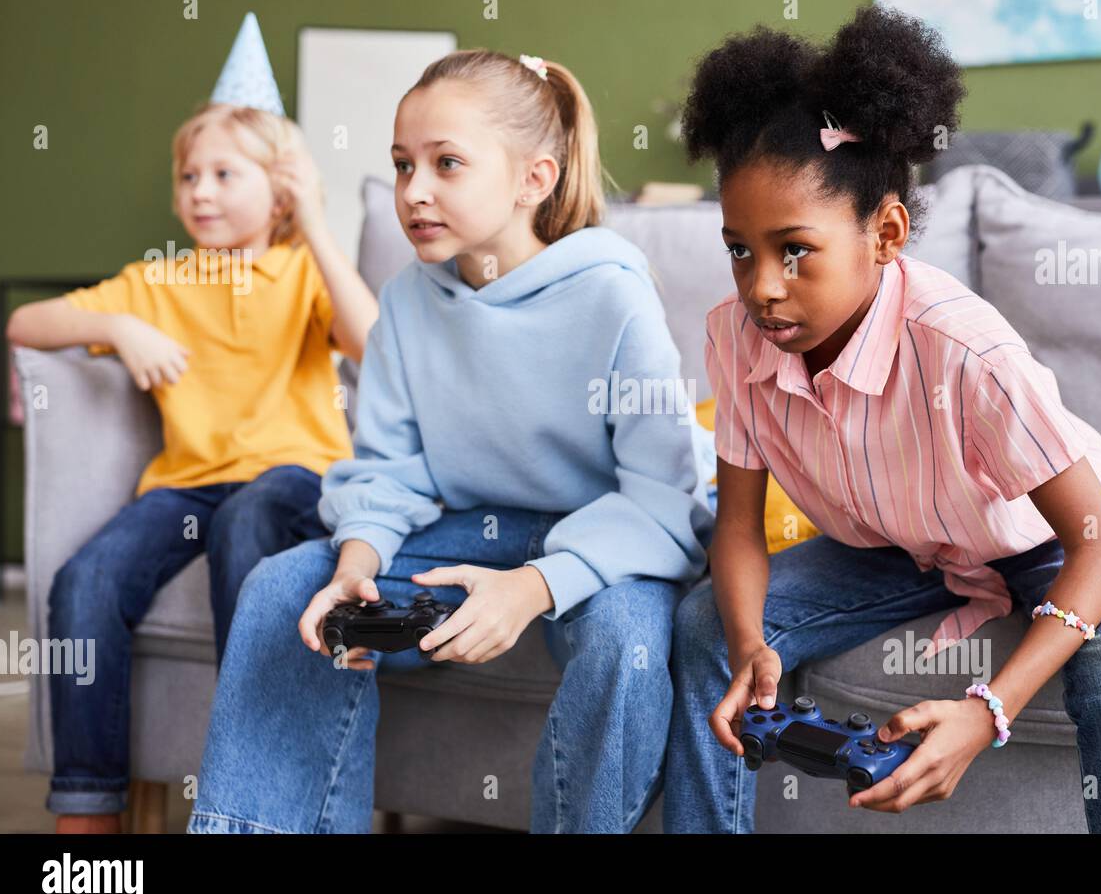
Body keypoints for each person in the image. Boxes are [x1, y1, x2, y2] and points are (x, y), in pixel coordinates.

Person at [662, 5, 1101, 834]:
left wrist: (987, 710)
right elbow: (737, 527)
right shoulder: (735, 337)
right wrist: (747, 642)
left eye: (794, 249)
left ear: (886, 234)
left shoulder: (962, 349)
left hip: (1042, 537)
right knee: (700, 620)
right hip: (900, 547)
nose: (762, 284)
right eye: (741, 249)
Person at [187, 50, 712, 834]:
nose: (414, 191)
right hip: (467, 526)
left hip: (605, 536)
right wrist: (356, 566)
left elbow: (662, 500)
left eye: (447, 164)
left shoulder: (612, 295)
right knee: (278, 589)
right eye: (402, 166)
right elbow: (388, 472)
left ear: (534, 179)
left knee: (629, 643)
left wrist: (534, 586)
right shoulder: (405, 301)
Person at [8, 101, 379, 832]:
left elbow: (374, 344)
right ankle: (87, 813)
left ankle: (251, 792)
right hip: (188, 485)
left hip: (295, 478)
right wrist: (113, 324)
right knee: (84, 581)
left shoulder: (301, 270)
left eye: (222, 175)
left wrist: (312, 225)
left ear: (277, 193)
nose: (199, 192)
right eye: (188, 176)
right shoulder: (158, 284)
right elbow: (25, 323)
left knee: (247, 520)